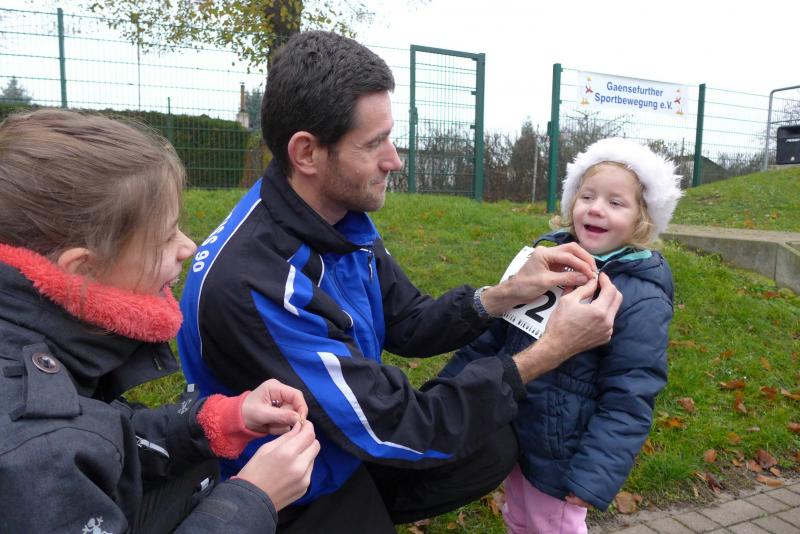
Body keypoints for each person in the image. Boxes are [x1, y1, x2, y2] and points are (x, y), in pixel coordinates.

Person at [178, 30, 622, 533]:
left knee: (490, 445)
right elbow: (397, 423)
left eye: (389, 136)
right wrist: (551, 350)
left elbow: (408, 320)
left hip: (342, 435)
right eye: (374, 144)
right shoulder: (256, 284)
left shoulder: (337, 216)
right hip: (285, 486)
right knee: (458, 429)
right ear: (306, 153)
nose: (394, 159)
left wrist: (505, 294)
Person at [0, 109, 320, 533]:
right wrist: (252, 499)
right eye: (166, 236)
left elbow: (99, 429)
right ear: (83, 270)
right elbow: (66, 441)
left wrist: (219, 419)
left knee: (193, 469)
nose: (188, 246)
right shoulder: (35, 446)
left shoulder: (32, 334)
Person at [442, 137, 683, 533]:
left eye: (616, 202)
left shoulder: (640, 298)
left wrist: (593, 474)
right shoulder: (545, 261)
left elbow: (630, 393)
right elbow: (493, 337)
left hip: (563, 455)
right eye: (587, 196)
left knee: (551, 526)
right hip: (514, 432)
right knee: (519, 518)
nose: (596, 208)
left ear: (642, 220)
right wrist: (448, 390)